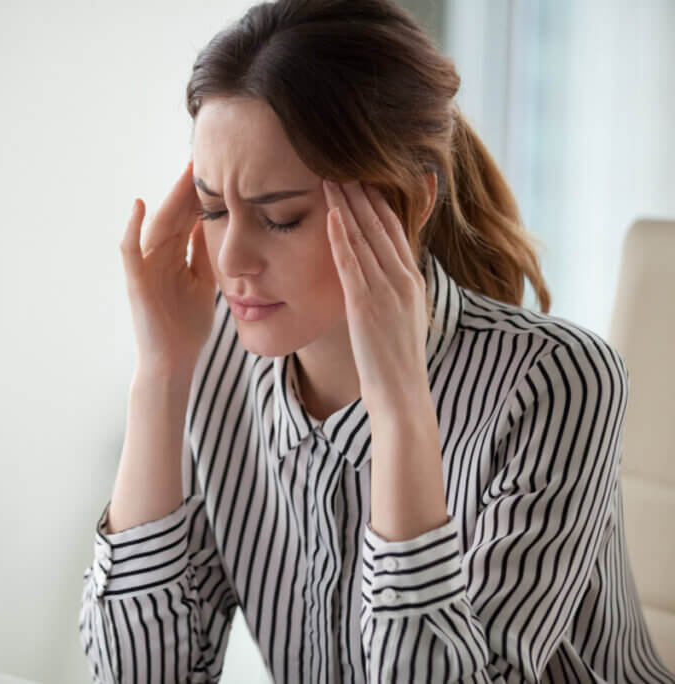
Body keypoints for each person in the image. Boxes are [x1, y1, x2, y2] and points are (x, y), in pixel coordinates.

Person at [77, 0, 675, 681]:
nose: (231, 259)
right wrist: (159, 373)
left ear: (409, 204)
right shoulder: (213, 357)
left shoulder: (557, 382)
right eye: (214, 209)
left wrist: (398, 407)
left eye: (280, 218)